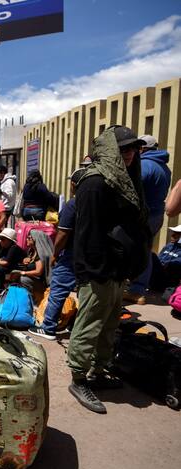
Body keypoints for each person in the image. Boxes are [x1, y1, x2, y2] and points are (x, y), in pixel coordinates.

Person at [67, 125, 149, 414]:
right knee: (89, 326)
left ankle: (98, 372)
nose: (129, 154)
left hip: (116, 270)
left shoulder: (123, 180)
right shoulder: (95, 182)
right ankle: (79, 378)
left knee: (109, 325)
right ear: (109, 151)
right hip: (97, 270)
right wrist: (93, 271)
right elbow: (86, 233)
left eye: (134, 148)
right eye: (124, 148)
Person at [29, 168, 86, 340]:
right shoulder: (96, 204)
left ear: (74, 185)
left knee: (58, 289)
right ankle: (77, 326)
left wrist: (54, 254)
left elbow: (63, 234)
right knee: (85, 292)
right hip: (90, 255)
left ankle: (48, 327)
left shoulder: (73, 205)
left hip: (71, 254)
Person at [124, 135, 172, 304]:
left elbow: (132, 190)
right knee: (145, 249)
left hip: (143, 217)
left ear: (142, 149)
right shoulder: (164, 168)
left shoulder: (144, 166)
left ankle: (136, 290)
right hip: (156, 215)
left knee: (135, 250)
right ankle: (138, 286)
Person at [9, 230, 52, 301]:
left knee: (23, 279)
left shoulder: (40, 254)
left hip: (41, 283)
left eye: (29, 238)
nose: (27, 240)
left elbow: (38, 272)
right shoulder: (31, 252)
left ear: (35, 239)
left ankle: (31, 301)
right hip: (33, 280)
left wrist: (22, 273)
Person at [0, 228, 26, 294]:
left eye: (3, 239)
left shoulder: (13, 248)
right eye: (0, 238)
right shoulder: (5, 247)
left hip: (17, 267)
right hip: (10, 266)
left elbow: (6, 263)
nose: (0, 241)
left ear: (10, 241)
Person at [150, 225, 181, 290]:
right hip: (157, 273)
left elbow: (176, 265)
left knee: (152, 256)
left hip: (168, 280)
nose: (172, 235)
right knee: (150, 255)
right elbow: (159, 258)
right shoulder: (169, 245)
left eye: (177, 233)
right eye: (173, 232)